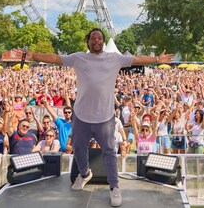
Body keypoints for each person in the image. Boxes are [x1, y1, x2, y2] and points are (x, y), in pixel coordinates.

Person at [27, 27, 174, 207]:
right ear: (88, 42)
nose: (97, 41)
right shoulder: (78, 57)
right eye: (93, 38)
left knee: (110, 153)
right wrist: (34, 55)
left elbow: (136, 58)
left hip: (105, 118)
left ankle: (114, 187)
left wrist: (157, 59)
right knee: (78, 148)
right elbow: (56, 58)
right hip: (81, 116)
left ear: (103, 42)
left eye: (100, 38)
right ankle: (84, 174)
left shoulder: (114, 58)